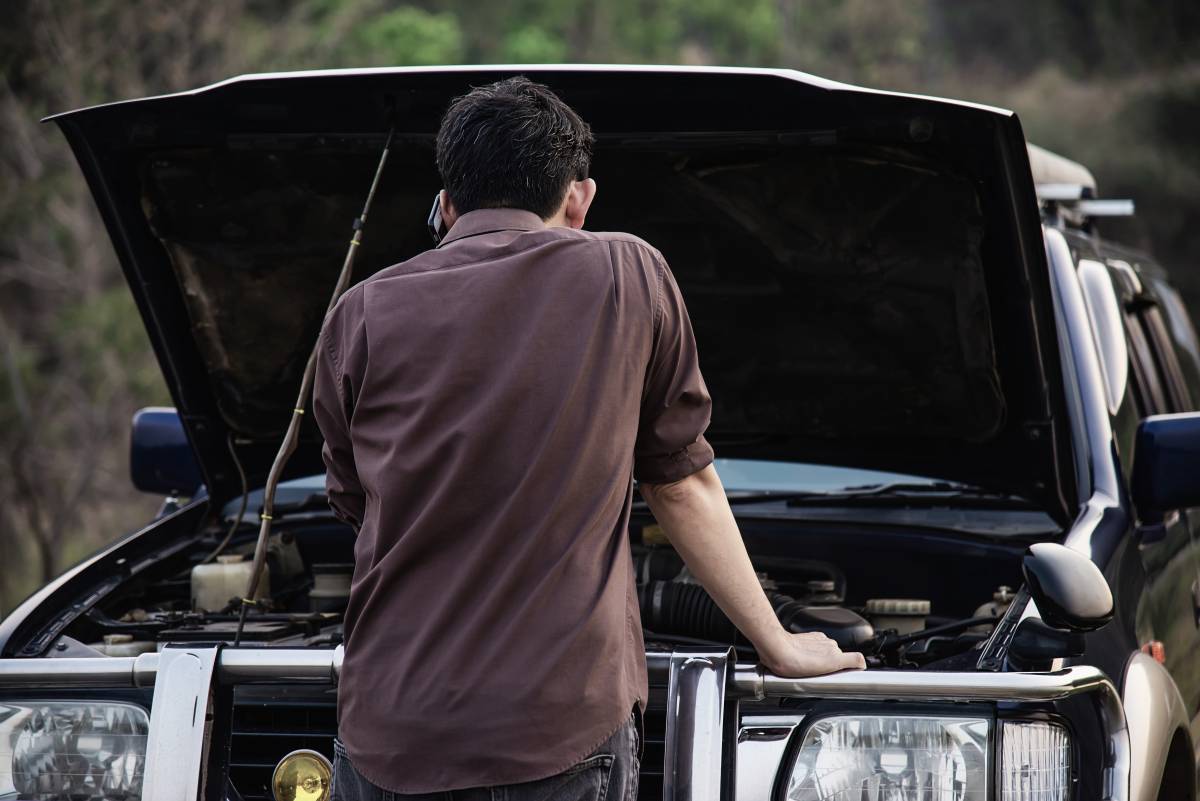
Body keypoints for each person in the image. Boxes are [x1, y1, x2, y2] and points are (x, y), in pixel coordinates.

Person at [313, 75, 865, 801]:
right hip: (554, 732)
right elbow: (680, 480)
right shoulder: (626, 272)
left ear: (445, 206)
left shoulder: (359, 312)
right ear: (579, 199)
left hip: (387, 733)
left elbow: (355, 500)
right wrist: (779, 642)